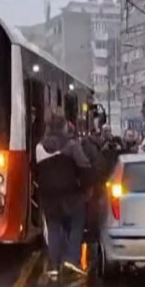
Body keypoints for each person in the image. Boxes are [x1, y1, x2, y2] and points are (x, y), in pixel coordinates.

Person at [35, 115, 90, 278]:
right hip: (71, 194)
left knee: (53, 227)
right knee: (77, 223)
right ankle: (72, 259)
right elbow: (84, 166)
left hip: (49, 196)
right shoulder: (71, 145)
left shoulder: (39, 147)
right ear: (63, 128)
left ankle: (54, 265)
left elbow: (36, 170)